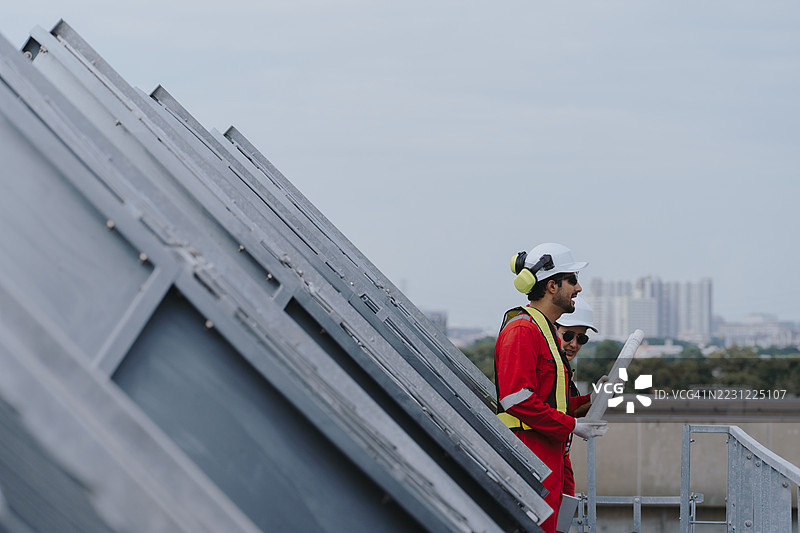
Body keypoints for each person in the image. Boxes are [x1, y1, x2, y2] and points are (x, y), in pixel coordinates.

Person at [494, 242, 608, 533]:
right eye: (572, 280)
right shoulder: (523, 330)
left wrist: (594, 399)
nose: (578, 288)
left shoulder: (545, 333)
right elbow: (516, 400)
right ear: (552, 286)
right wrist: (572, 425)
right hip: (529, 449)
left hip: (548, 450)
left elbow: (554, 402)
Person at [555, 295, 599, 498]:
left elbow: (564, 407)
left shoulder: (562, 369)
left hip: (560, 456)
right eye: (568, 335)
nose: (574, 344)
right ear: (553, 329)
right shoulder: (548, 367)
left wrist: (595, 398)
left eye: (581, 339)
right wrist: (572, 425)